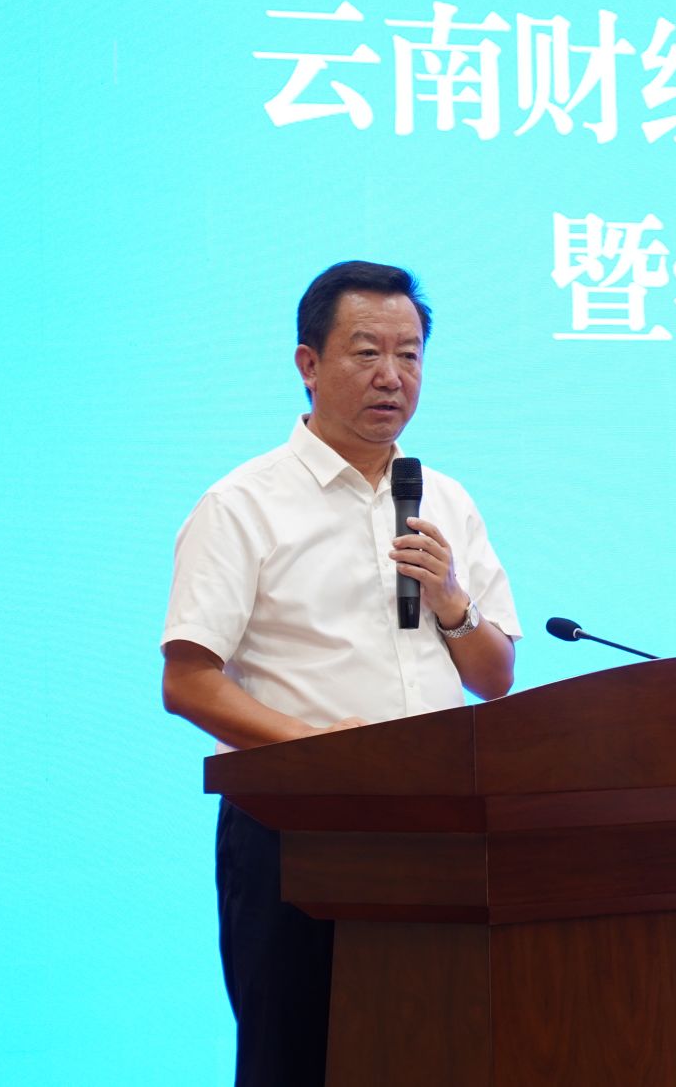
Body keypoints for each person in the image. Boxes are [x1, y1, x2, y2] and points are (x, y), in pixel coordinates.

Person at [159, 260, 520, 1087]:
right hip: (298, 833)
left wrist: (452, 601)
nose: (392, 376)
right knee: (300, 1061)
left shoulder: (446, 500)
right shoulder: (242, 503)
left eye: (410, 354)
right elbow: (188, 680)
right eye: (367, 352)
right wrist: (322, 750)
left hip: (438, 830)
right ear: (309, 363)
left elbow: (495, 675)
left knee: (440, 1054)